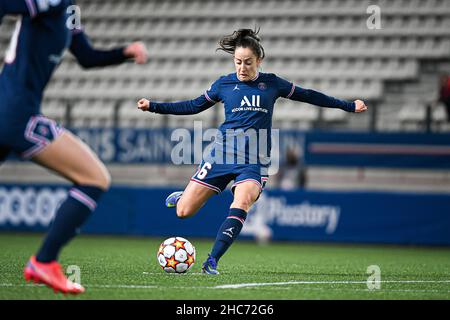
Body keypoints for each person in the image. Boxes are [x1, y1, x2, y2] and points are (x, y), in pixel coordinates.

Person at [137, 28, 367, 275]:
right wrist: (153, 106)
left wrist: (348, 106)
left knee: (243, 200)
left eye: (247, 62)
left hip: (254, 160)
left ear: (259, 60)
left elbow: (309, 95)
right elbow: (193, 106)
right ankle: (184, 196)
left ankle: (212, 260)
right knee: (183, 212)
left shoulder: (272, 83)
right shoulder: (224, 84)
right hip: (221, 155)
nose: (242, 67)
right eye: (238, 62)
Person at [0, 0, 148, 293]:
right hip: (16, 114)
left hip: (11, 109)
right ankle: (44, 261)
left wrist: (125, 52)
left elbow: (86, 56)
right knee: (94, 177)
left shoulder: (69, 9)